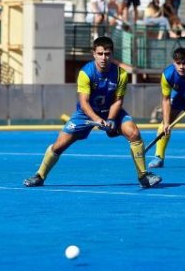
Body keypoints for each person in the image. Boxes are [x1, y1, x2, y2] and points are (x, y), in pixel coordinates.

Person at [23, 36, 162, 188]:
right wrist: (97, 119)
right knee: (59, 146)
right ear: (94, 54)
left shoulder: (121, 74)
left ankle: (143, 176)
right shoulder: (86, 73)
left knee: (134, 133)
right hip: (85, 114)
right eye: (100, 53)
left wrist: (110, 119)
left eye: (107, 54)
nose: (104, 58)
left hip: (111, 111)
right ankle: (40, 176)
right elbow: (84, 102)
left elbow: (118, 100)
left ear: (112, 54)